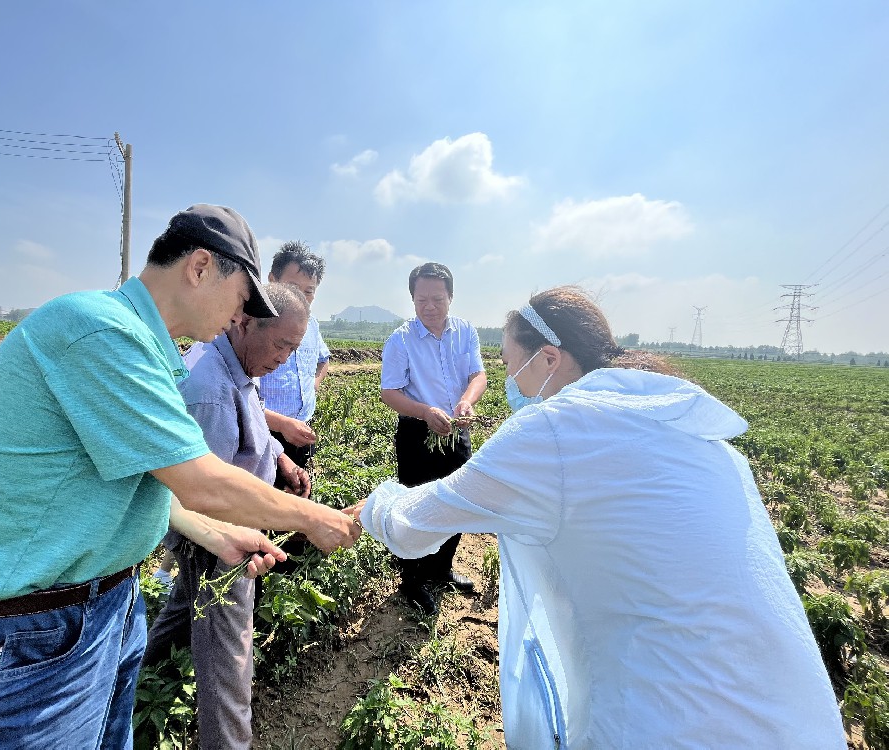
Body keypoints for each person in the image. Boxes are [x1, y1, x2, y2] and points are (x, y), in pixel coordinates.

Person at [0, 204, 361, 748]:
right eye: (241, 298)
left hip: (97, 613)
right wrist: (316, 519)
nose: (240, 316)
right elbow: (202, 481)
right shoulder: (100, 331)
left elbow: (137, 477)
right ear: (199, 267)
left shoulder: (152, 351)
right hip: (13, 640)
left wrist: (217, 533)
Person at [355, 286, 846, 748]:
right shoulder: (686, 425)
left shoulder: (554, 430)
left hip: (675, 721)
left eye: (510, 365)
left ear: (549, 358)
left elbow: (413, 526)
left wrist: (372, 505)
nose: (509, 383)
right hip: (801, 720)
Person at [143, 283, 312, 749]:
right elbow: (204, 498)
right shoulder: (212, 390)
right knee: (228, 668)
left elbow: (253, 419)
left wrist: (279, 457)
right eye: (281, 345)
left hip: (226, 535)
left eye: (294, 349)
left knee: (184, 610)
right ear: (244, 323)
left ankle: (138, 677)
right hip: (220, 544)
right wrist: (304, 517)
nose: (284, 358)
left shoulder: (237, 367)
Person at [379, 262, 487, 615]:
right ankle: (412, 580)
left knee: (456, 500)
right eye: (421, 299)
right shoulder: (401, 340)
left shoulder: (465, 331)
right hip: (416, 433)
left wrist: (466, 402)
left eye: (437, 299)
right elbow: (389, 393)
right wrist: (425, 411)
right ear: (412, 299)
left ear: (450, 297)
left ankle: (441, 568)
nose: (429, 306)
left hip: (457, 429)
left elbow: (478, 375)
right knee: (417, 506)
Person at [260, 240, 330, 477]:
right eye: (291, 286)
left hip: (301, 429)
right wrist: (281, 424)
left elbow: (323, 359)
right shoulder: (253, 325)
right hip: (261, 431)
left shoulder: (311, 325)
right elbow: (236, 393)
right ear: (272, 280)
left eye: (308, 290)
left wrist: (312, 385)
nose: (299, 296)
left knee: (297, 495)